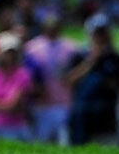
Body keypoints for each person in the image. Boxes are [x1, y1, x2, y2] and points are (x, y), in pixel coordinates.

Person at [66, 17, 119, 147]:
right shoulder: (80, 55)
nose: (100, 37)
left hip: (106, 110)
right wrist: (92, 61)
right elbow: (70, 80)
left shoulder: (116, 58)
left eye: (103, 33)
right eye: (97, 33)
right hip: (82, 109)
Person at [24, 16, 79, 146]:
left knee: (64, 143)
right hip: (41, 105)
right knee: (40, 144)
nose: (52, 30)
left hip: (64, 103)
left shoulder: (71, 47)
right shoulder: (32, 48)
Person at [0, 32, 37, 141]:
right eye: (6, 52)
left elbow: (13, 106)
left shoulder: (23, 75)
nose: (8, 56)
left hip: (15, 129)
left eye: (11, 53)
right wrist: (3, 104)